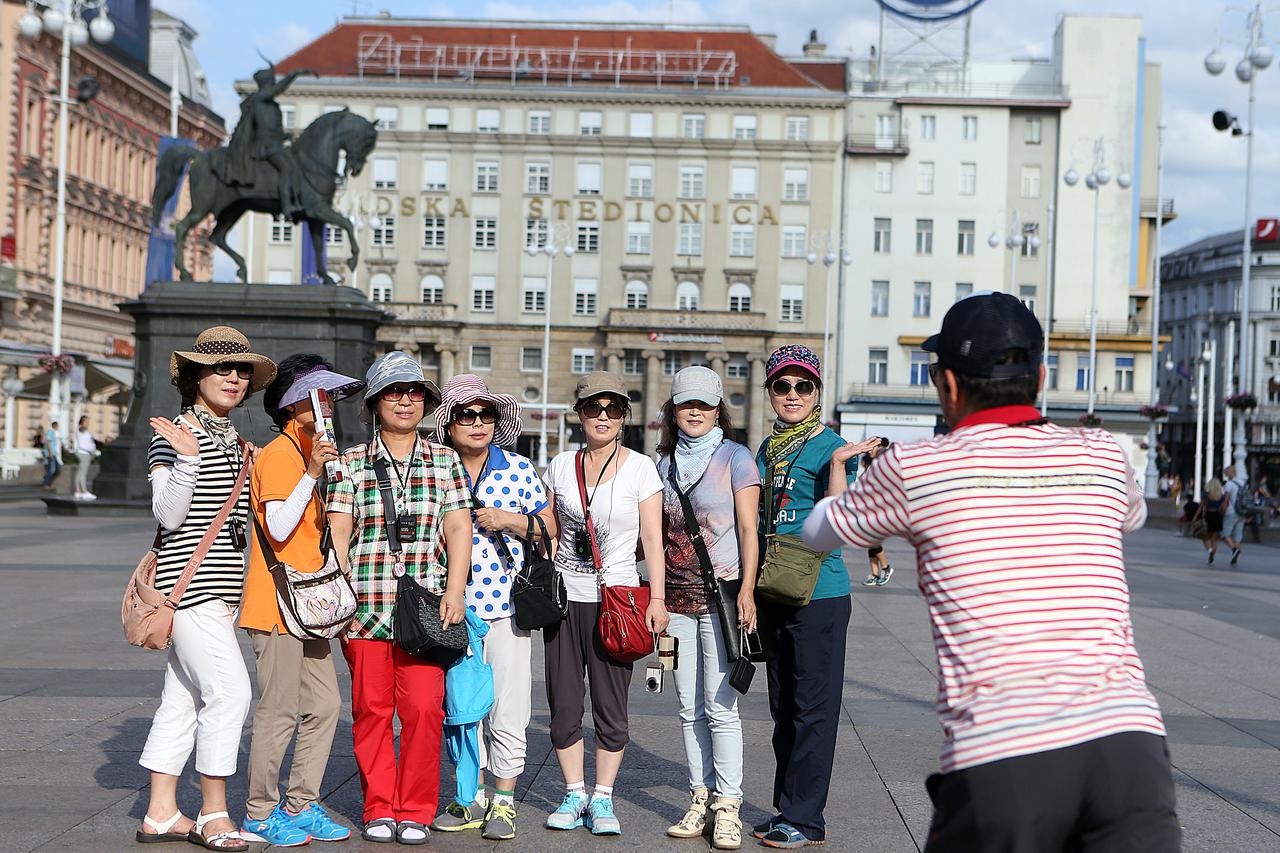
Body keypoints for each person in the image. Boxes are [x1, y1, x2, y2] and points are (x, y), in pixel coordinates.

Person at [804, 292, 1179, 852]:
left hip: (1003, 756)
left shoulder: (916, 467)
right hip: (1131, 751)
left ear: (948, 385)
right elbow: (1134, 513)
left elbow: (819, 531)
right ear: (1042, 375)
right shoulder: (1103, 455)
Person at [137, 326, 277, 851]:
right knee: (231, 693)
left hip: (220, 593)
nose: (234, 378)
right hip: (188, 590)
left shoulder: (239, 443)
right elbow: (167, 514)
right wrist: (188, 459)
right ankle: (214, 814)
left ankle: (159, 813)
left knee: (184, 701)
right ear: (196, 375)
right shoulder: (173, 433)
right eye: (222, 368)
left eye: (242, 371)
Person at [327, 351, 472, 846]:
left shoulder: (445, 459)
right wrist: (341, 586)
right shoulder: (350, 463)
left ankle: (415, 807)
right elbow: (340, 525)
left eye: (414, 392)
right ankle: (379, 806)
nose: (405, 401)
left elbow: (457, 526)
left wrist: (456, 589)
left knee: (425, 710)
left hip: (428, 607)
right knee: (370, 711)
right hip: (365, 606)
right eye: (393, 391)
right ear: (373, 403)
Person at [752, 345, 880, 849]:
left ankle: (807, 820)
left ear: (816, 392)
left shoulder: (832, 446)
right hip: (774, 589)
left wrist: (838, 467)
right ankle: (788, 807)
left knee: (814, 709)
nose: (792, 395)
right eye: (782, 386)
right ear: (770, 393)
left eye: (802, 386)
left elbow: (838, 523)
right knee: (784, 708)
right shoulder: (769, 449)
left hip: (819, 594)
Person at [238, 355, 364, 846]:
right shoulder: (281, 454)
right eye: (322, 397)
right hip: (274, 606)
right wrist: (312, 472)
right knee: (279, 710)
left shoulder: (309, 449)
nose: (329, 405)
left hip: (307, 605)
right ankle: (260, 811)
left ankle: (302, 802)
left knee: (326, 704)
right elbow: (278, 525)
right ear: (297, 404)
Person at [429, 374, 556, 841]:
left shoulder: (518, 469)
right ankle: (470, 796)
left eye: (486, 414)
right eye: (467, 414)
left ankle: (503, 800)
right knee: (462, 709)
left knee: (508, 706)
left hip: (505, 609)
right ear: (450, 423)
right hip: (449, 609)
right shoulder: (436, 467)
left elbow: (551, 532)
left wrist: (511, 521)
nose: (478, 423)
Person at [542, 371, 668, 836]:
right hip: (564, 598)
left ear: (624, 417)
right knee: (563, 702)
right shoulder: (559, 464)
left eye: (612, 408)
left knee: (611, 704)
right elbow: (550, 527)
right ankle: (574, 792)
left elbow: (653, 541)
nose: (602, 415)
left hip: (617, 600)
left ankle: (603, 798)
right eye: (593, 407)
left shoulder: (641, 468)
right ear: (579, 413)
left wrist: (658, 598)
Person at [655, 367, 760, 850]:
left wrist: (748, 591)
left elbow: (747, 530)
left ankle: (728, 805)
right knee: (685, 705)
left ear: (718, 409)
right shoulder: (661, 464)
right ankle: (699, 797)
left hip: (719, 600)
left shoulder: (736, 458)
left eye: (703, 404)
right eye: (685, 404)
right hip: (674, 603)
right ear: (673, 411)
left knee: (721, 707)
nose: (694, 412)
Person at [859, 438, 893, 588]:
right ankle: (874, 573)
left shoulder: (882, 462)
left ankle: (886, 568)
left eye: (873, 448)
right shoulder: (871, 463)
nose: (869, 450)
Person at [1221, 465, 1248, 565]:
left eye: (1225, 473)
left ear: (1229, 473)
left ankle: (1234, 549)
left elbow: (1226, 499)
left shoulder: (1229, 484)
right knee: (1237, 535)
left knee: (1225, 534)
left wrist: (1223, 510)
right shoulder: (1242, 482)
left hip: (1231, 512)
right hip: (1242, 512)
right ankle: (1235, 554)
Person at [1199, 478, 1227, 563]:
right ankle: (1212, 557)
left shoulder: (1206, 495)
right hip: (1218, 516)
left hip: (1209, 516)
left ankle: (1210, 551)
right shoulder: (1222, 496)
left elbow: (1201, 507)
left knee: (1205, 537)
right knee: (1214, 539)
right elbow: (1223, 508)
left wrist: (1195, 517)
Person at [74, 415, 98, 500]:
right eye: (87, 421)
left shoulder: (81, 430)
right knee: (83, 473)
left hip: (83, 453)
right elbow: (88, 441)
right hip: (85, 454)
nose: (88, 423)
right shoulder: (83, 430)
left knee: (80, 473)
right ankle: (84, 491)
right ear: (83, 422)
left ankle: (78, 491)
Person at [41, 420, 61, 489]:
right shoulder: (50, 432)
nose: (58, 427)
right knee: (52, 469)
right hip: (51, 454)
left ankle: (46, 478)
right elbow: (48, 443)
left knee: (57, 468)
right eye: (58, 426)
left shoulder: (53, 433)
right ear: (55, 426)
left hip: (54, 454)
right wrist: (50, 453)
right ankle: (46, 483)